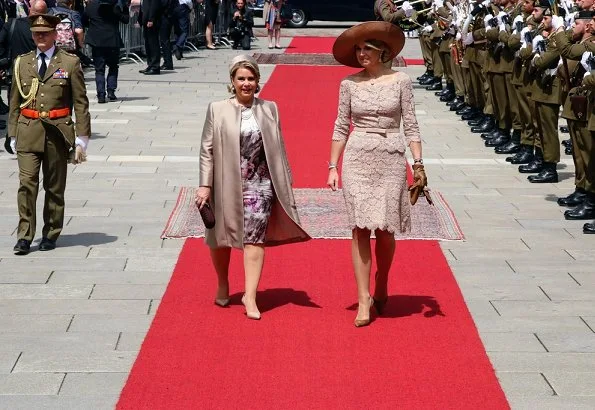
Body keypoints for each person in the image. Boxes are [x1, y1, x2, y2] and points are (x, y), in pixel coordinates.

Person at [195, 55, 310, 320]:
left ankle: (250, 295)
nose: (246, 84)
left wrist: (286, 181)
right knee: (220, 237)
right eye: (241, 79)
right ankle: (223, 283)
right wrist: (204, 185)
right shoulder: (217, 109)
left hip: (260, 184)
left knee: (255, 238)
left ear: (258, 81)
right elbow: (206, 149)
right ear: (232, 81)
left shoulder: (270, 108)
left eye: (251, 79)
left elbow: (278, 147)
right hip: (226, 181)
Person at [327, 22, 425, 327]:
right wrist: (332, 166)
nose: (360, 54)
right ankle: (363, 298)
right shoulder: (348, 84)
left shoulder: (401, 81)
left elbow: (411, 124)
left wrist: (418, 163)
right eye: (357, 49)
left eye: (365, 48)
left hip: (391, 155)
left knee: (385, 228)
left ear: (382, 51)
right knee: (359, 228)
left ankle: (382, 281)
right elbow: (341, 125)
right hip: (357, 156)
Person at [7, 13, 91, 255]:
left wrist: (82, 138)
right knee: (27, 185)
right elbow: (14, 101)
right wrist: (12, 133)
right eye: (36, 33)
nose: (40, 37)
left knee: (54, 187)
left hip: (57, 133)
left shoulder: (69, 63)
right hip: (28, 131)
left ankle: (51, 232)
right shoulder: (22, 62)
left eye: (45, 33)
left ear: (55, 34)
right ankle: (24, 235)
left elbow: (80, 102)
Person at [1, 0, 48, 154]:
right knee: (35, 109)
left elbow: (1, 45)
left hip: (16, 75)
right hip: (39, 75)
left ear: (30, 10)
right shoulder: (46, 29)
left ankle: (14, 136)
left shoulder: (12, 24)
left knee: (15, 107)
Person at [84, 0, 129, 103]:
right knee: (113, 66)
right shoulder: (116, 6)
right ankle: (111, 91)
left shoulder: (91, 6)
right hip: (112, 40)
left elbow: (84, 20)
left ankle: (101, 94)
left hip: (97, 41)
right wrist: (124, 8)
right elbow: (125, 20)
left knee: (99, 69)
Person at [139, 0, 164, 74]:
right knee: (148, 44)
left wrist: (151, 19)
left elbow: (154, 5)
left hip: (152, 21)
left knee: (153, 44)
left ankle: (155, 67)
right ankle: (150, 64)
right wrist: (140, 19)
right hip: (146, 20)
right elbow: (143, 5)